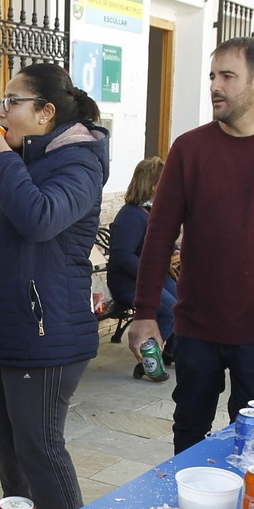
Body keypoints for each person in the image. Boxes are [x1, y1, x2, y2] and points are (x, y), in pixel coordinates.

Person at [129, 37, 254, 454]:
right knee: (188, 433)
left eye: (227, 76)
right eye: (212, 76)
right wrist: (146, 312)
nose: (214, 86)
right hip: (196, 326)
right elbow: (158, 235)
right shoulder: (190, 148)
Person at [0, 63, 107, 509]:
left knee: (39, 448)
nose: (0, 111)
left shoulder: (79, 161)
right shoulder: (27, 160)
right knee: (7, 446)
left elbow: (41, 218)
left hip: (45, 334)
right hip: (3, 328)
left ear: (46, 112)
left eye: (11, 102)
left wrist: (1, 159)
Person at [106, 156, 174, 380]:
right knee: (171, 308)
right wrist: (152, 273)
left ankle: (171, 351)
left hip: (151, 278)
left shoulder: (149, 211)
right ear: (154, 186)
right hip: (129, 283)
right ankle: (149, 361)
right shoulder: (130, 215)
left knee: (185, 302)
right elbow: (122, 257)